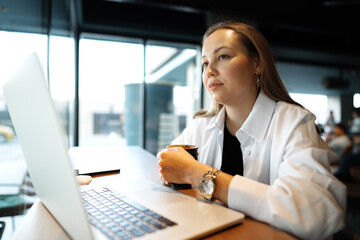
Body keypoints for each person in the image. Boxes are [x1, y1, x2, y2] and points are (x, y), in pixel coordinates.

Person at [157, 21, 346, 239]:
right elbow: (168, 164)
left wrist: (197, 174)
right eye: (205, 63)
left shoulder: (294, 123)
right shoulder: (202, 125)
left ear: (258, 64)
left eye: (223, 57)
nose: (210, 70)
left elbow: (313, 213)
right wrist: (174, 169)